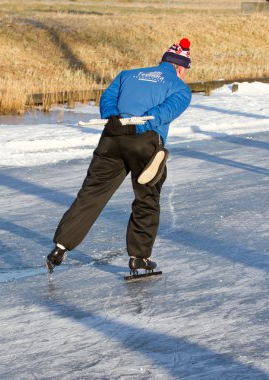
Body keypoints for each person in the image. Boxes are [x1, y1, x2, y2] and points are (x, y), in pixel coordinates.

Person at [46, 38, 192, 274]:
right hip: (145, 144)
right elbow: (163, 113)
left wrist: (114, 119)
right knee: (146, 198)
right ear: (180, 67)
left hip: (111, 138)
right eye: (185, 70)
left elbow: (107, 99)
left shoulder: (127, 74)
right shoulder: (180, 88)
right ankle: (139, 257)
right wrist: (137, 127)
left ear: (162, 60)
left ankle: (60, 247)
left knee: (91, 193)